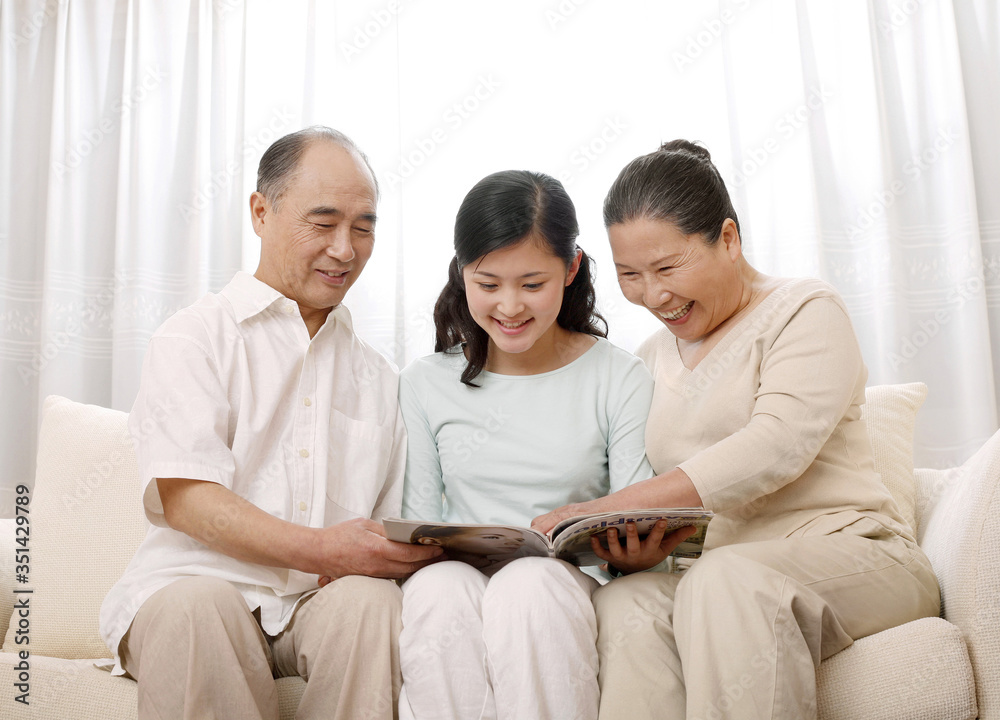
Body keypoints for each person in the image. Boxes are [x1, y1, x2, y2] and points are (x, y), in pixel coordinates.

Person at [532, 140, 942, 720]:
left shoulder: (803, 309)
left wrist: (610, 503)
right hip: (714, 571)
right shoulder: (648, 358)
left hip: (854, 554)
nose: (655, 295)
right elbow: (673, 501)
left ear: (728, 238)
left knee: (726, 580)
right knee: (628, 601)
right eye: (631, 274)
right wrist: (639, 547)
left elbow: (774, 447)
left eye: (668, 267)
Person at [98, 126, 441, 720]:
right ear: (261, 212)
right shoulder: (196, 336)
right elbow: (187, 500)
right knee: (203, 607)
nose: (345, 249)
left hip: (312, 607)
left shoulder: (380, 377)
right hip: (190, 587)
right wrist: (322, 551)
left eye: (364, 227)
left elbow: (383, 525)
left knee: (370, 602)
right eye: (324, 222)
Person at [396, 169, 692, 720]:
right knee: (437, 589)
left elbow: (634, 504)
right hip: (456, 579)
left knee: (529, 585)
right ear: (462, 274)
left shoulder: (618, 376)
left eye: (532, 285)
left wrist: (639, 556)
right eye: (488, 285)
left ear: (571, 268)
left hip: (558, 583)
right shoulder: (423, 382)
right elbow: (416, 518)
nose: (510, 307)